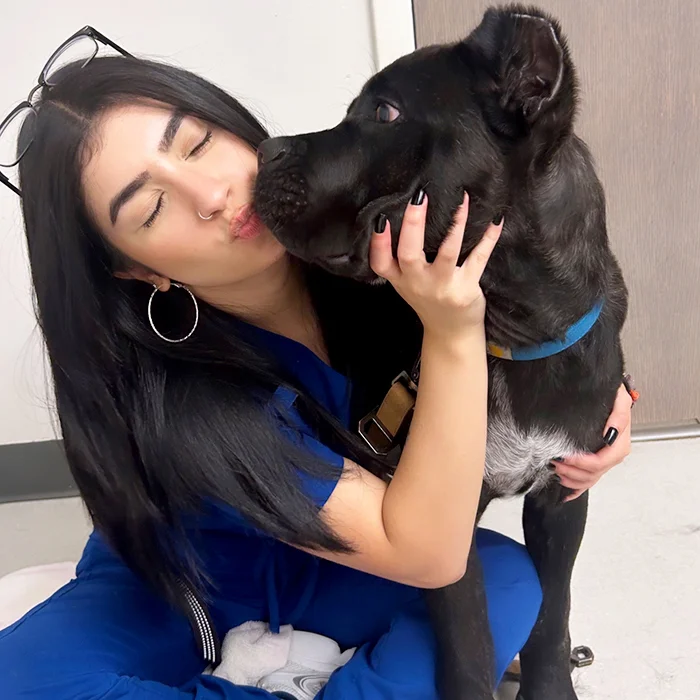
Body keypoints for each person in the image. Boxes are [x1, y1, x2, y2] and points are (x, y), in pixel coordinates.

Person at [0, 32, 633, 700]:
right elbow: (427, 550)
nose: (211, 195)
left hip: (334, 570)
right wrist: (452, 333)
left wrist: (605, 403)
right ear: (137, 268)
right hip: (188, 591)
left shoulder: (368, 252)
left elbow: (550, 302)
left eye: (197, 144)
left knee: (504, 581)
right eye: (152, 208)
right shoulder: (184, 396)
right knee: (24, 677)